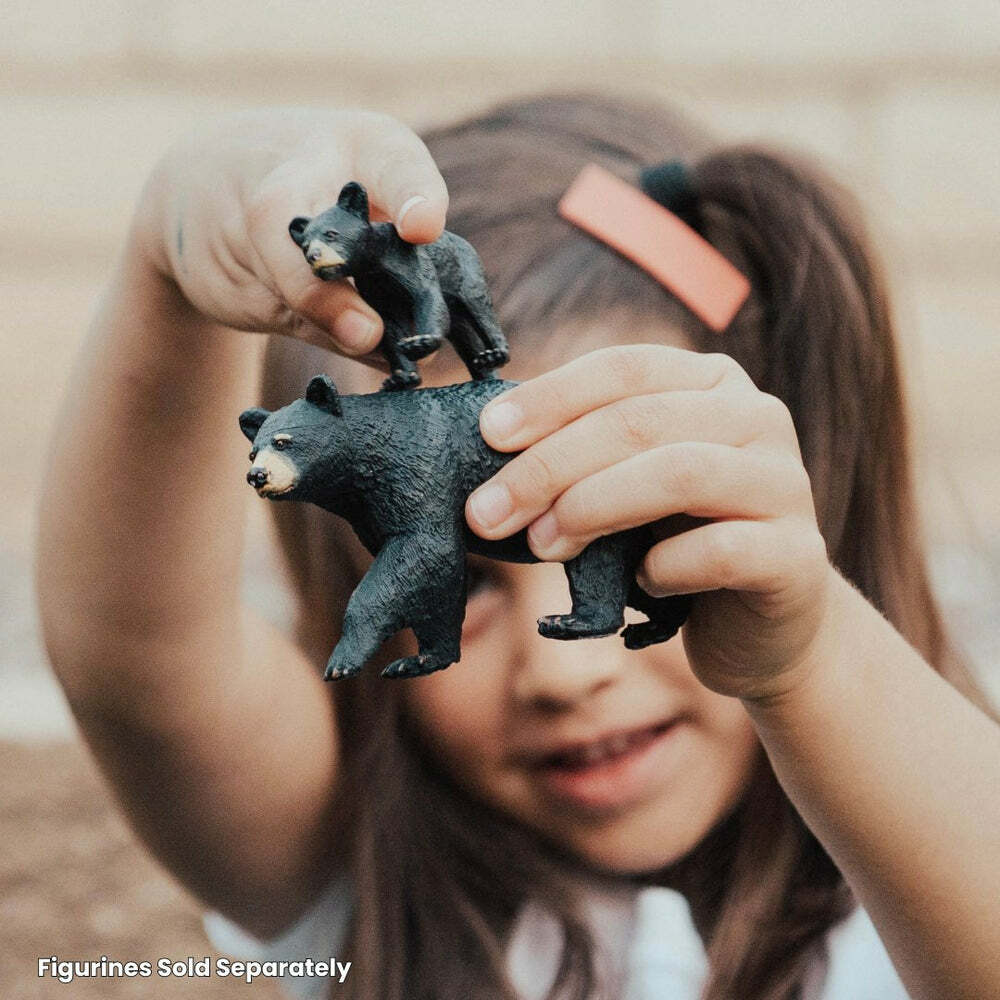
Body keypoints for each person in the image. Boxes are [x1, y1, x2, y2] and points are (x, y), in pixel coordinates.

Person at [36, 94, 1000, 1000]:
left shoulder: (926, 860)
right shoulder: (354, 876)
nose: (561, 673)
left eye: (625, 537)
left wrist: (808, 662)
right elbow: (139, 657)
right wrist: (168, 276)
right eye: (468, 584)